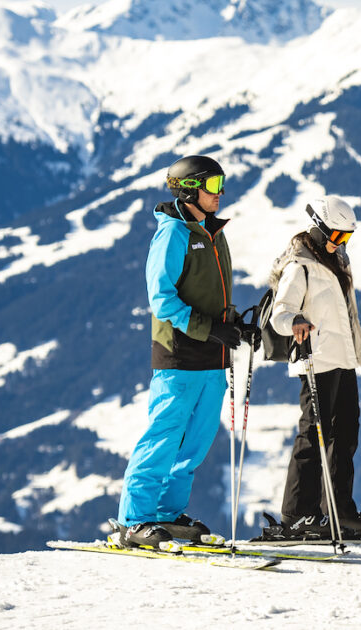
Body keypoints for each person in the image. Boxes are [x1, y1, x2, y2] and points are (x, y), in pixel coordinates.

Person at [116, 154, 259, 548]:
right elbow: (162, 300)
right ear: (189, 188)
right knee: (163, 435)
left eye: (221, 184)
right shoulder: (173, 234)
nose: (221, 193)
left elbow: (214, 296)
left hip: (213, 357)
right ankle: (134, 519)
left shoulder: (214, 233)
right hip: (179, 355)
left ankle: (165, 513)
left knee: (195, 443)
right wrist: (211, 328)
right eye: (213, 186)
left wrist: (233, 325)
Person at [263, 196, 361, 540]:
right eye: (336, 235)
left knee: (346, 434)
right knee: (314, 434)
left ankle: (339, 510)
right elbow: (280, 314)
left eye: (346, 237)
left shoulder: (335, 260)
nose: (340, 243)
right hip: (315, 359)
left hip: (342, 359)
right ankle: (298, 514)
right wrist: (296, 319)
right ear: (317, 228)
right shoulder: (299, 265)